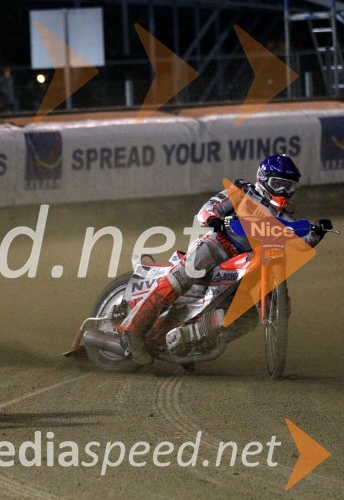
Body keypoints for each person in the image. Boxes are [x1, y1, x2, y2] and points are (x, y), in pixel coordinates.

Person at [118, 154, 334, 365]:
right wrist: (214, 220)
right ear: (263, 179)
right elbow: (207, 209)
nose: (283, 191)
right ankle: (131, 330)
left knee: (247, 318)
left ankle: (192, 340)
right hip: (218, 246)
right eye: (277, 184)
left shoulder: (285, 217)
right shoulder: (242, 192)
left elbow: (298, 244)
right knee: (182, 277)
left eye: (288, 186)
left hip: (250, 260)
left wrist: (316, 232)